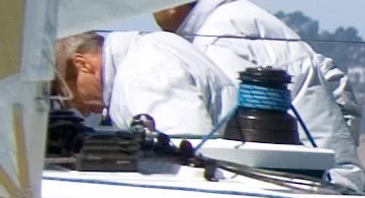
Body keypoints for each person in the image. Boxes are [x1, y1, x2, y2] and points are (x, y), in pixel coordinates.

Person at [155, 0, 363, 190]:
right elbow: (334, 80)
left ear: (173, 4)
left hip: (299, 188)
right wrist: (341, 155)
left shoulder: (215, 41)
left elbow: (232, 127)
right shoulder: (244, 16)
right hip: (333, 179)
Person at [54, 29, 236, 138]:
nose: (80, 111)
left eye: (69, 96)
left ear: (82, 64)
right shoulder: (150, 48)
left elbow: (184, 151)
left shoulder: (143, 72)